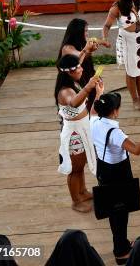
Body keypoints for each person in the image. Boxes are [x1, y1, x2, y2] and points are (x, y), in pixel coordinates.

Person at [90, 88, 140, 263]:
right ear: (115, 111)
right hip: (118, 172)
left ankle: (121, 242)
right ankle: (121, 252)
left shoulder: (93, 122)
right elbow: (137, 149)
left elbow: (93, 110)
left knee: (112, 210)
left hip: (103, 169)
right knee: (120, 211)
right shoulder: (115, 133)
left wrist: (98, 93)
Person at [55, 54, 99, 213]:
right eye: (78, 68)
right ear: (69, 72)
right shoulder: (65, 91)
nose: (81, 69)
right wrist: (88, 87)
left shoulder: (73, 82)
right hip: (74, 134)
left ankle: (82, 191)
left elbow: (77, 63)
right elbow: (74, 103)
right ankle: (75, 200)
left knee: (81, 165)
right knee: (75, 168)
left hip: (82, 129)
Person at [58, 18, 109, 108]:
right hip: (77, 81)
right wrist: (87, 49)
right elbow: (78, 57)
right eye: (85, 31)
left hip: (87, 77)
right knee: (83, 105)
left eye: (87, 30)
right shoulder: (67, 48)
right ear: (78, 32)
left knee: (96, 102)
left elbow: (94, 40)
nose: (87, 33)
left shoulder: (83, 42)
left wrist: (103, 42)